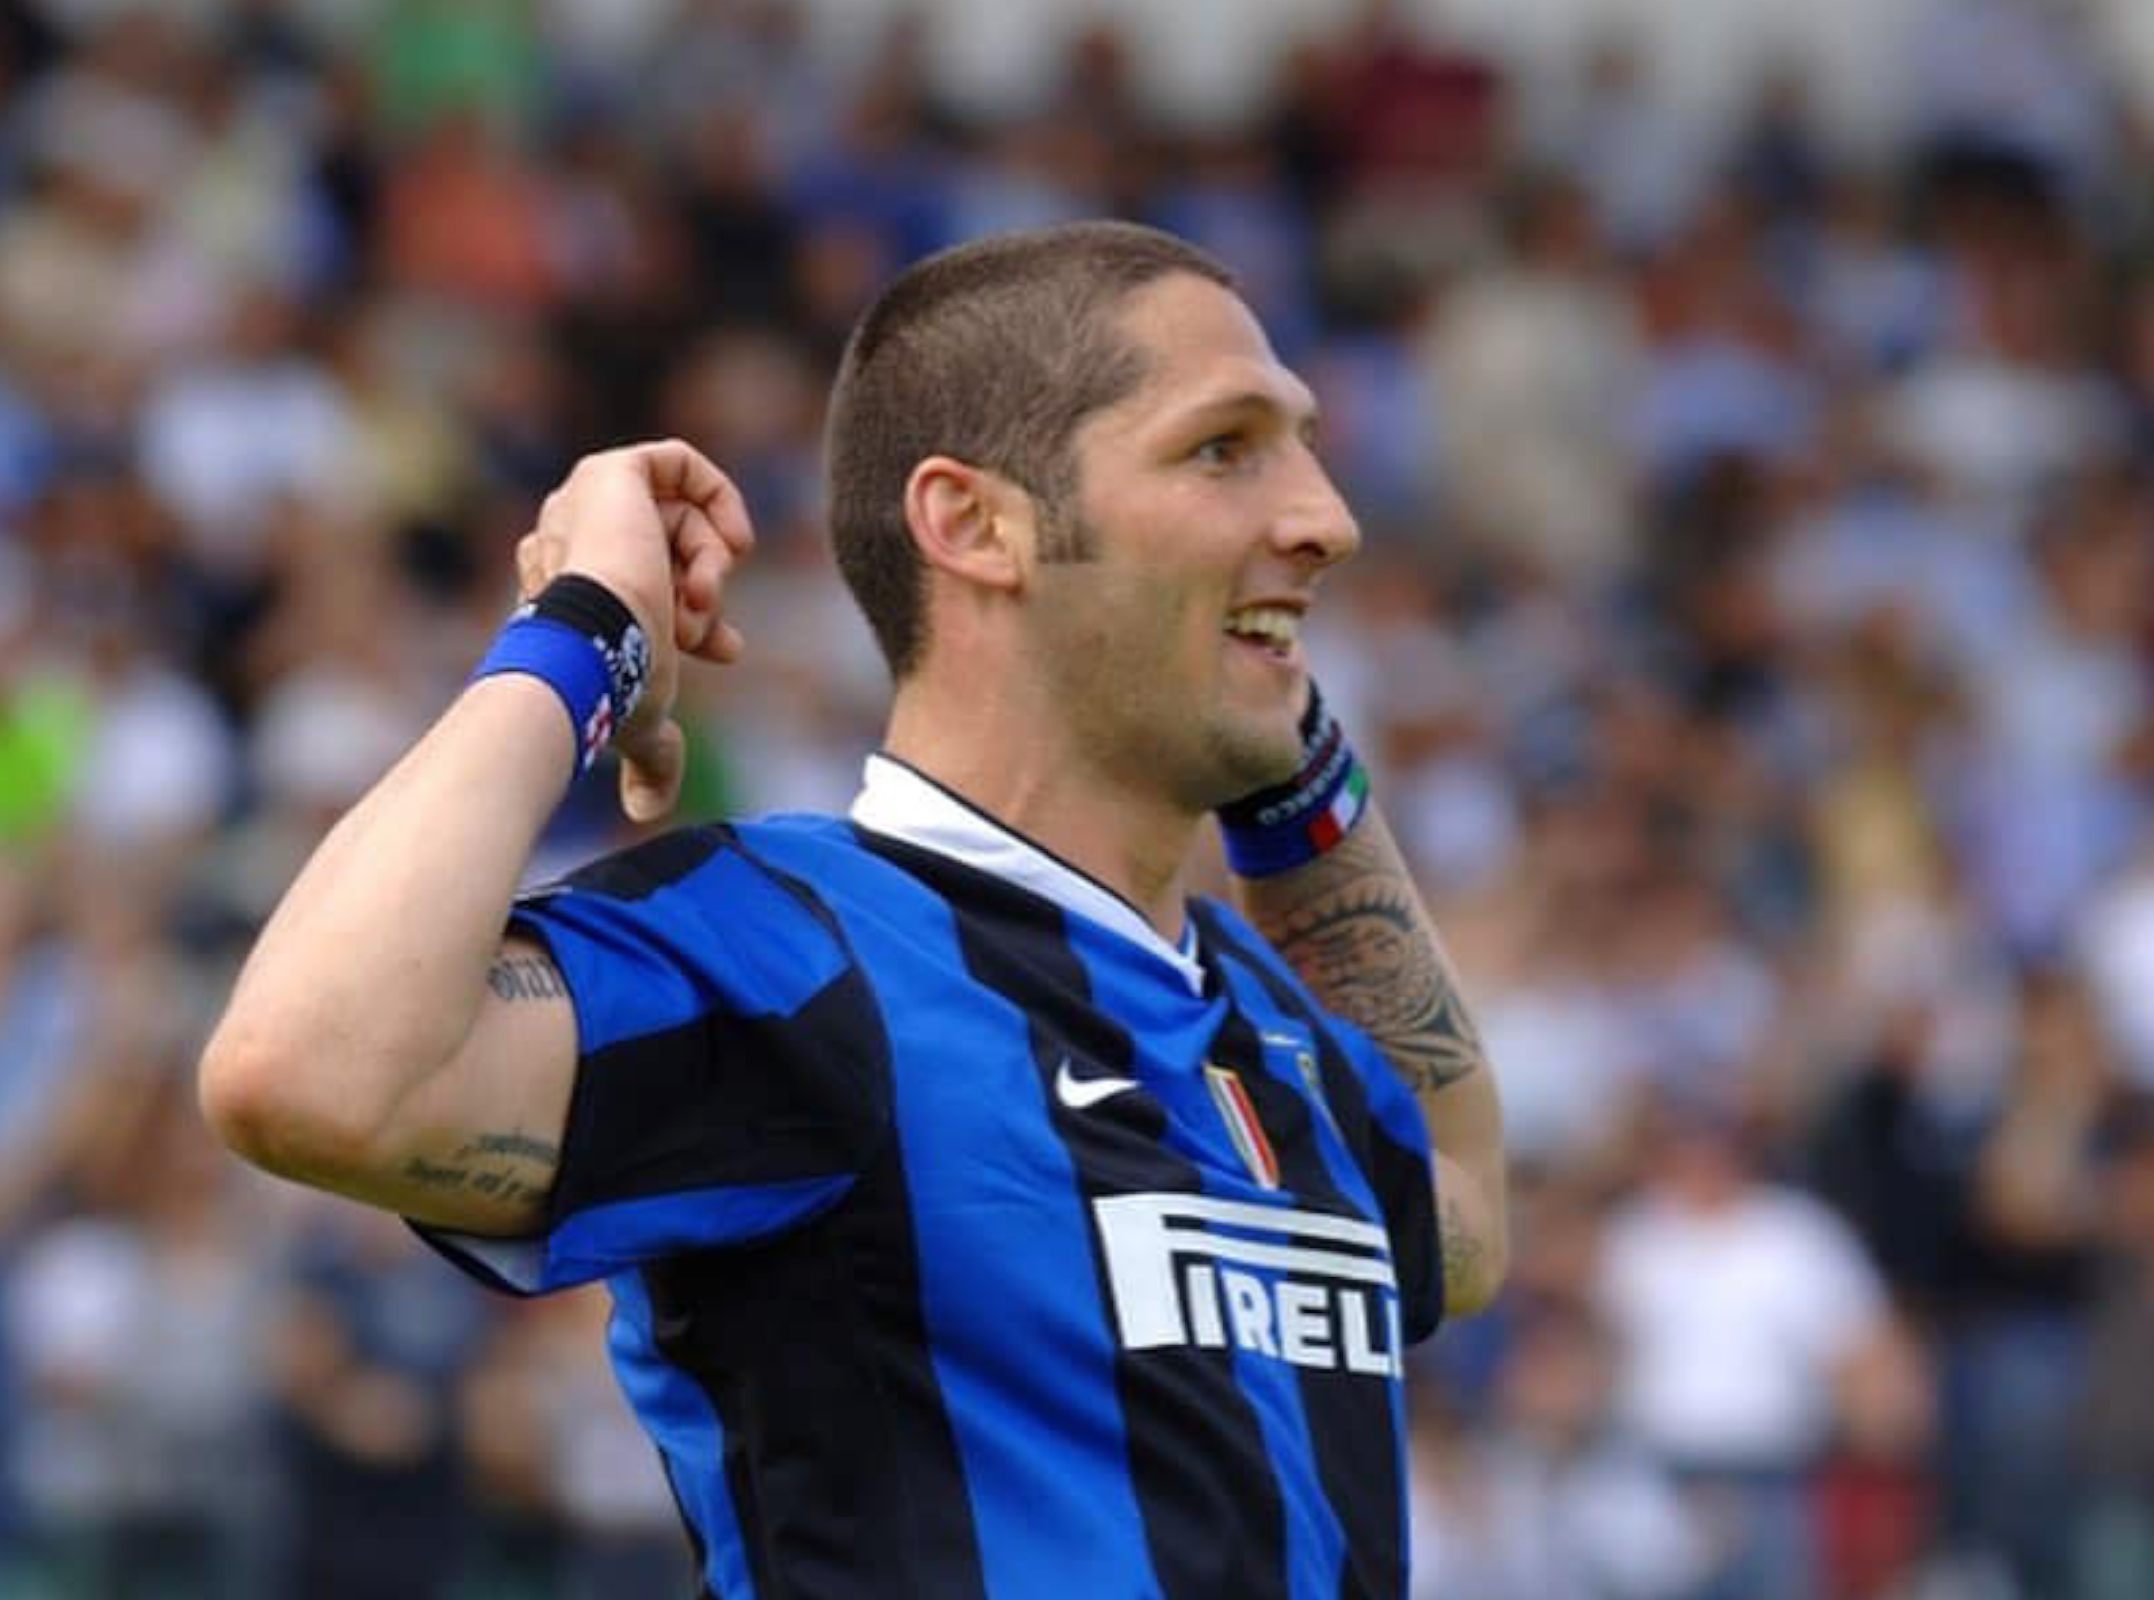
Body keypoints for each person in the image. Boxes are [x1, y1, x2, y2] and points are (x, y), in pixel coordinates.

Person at [199, 220, 1508, 1599]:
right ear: (975, 524)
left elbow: (1464, 1210)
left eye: (1305, 447)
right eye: (1224, 449)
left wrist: (1283, 743)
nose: (1328, 519)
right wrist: (589, 628)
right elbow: (307, 1072)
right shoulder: (794, 949)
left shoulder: (1261, 1017)